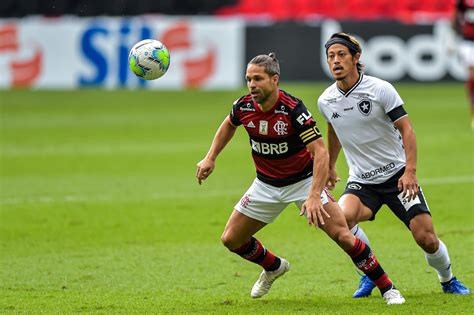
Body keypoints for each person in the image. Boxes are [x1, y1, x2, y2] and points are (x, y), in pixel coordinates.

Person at [196, 52, 405, 304]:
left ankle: (388, 288)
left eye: (258, 79)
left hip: (303, 182)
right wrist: (210, 157)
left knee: (343, 235)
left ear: (274, 80)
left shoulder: (293, 110)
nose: (251, 85)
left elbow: (320, 152)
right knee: (231, 239)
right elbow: (229, 124)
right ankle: (274, 267)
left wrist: (314, 194)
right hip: (265, 184)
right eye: (248, 79)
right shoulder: (244, 106)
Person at [317, 32, 471, 298]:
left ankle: (448, 280)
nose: (336, 61)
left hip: (398, 177)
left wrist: (410, 171)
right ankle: (369, 273)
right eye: (331, 56)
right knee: (342, 220)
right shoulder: (326, 100)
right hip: (362, 180)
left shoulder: (380, 89)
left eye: (342, 54)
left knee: (426, 239)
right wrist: (331, 165)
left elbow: (407, 129)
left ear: (356, 57)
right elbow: (334, 131)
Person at [453, 0, 474, 129]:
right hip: (469, 42)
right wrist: (452, 36)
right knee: (472, 77)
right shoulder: (464, 2)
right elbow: (455, 16)